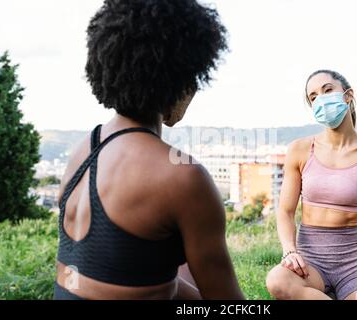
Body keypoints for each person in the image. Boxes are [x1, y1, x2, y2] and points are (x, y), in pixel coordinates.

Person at [54, 0, 244, 300]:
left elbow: (120, 273)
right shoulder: (183, 176)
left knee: (178, 265)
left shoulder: (84, 149)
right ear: (182, 81)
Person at [266, 69, 357, 300]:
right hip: (309, 263)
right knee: (277, 280)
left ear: (348, 95)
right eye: (313, 97)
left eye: (328, 90)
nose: (321, 100)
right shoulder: (300, 150)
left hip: (353, 263)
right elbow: (285, 211)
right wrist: (289, 250)